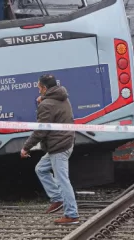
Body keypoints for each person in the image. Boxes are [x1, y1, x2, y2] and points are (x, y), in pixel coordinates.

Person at [21, 74, 79, 225]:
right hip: (65, 142)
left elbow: (41, 130)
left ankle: (71, 214)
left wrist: (26, 147)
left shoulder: (46, 104)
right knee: (41, 168)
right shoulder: (63, 97)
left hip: (58, 146)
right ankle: (58, 198)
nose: (38, 90)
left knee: (62, 180)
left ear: (45, 88)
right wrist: (43, 102)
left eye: (39, 87)